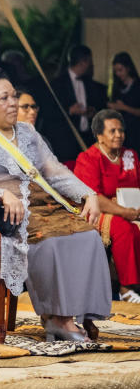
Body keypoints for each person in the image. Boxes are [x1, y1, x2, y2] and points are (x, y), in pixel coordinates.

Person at [0, 68, 110, 341]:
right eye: (4, 98)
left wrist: (88, 194)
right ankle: (57, 318)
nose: (13, 103)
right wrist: (2, 195)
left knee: (87, 234)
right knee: (48, 240)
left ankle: (73, 315)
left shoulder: (28, 132)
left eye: (13, 96)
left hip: (39, 203)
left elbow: (55, 172)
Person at [74, 110, 140, 303]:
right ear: (99, 135)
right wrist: (126, 212)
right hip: (97, 212)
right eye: (112, 131)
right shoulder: (88, 158)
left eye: (121, 130)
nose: (118, 135)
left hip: (132, 210)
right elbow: (92, 197)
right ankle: (126, 288)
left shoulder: (131, 155)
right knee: (124, 228)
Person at [44, 45, 107, 162]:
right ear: (83, 62)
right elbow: (48, 112)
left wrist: (92, 112)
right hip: (66, 142)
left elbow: (97, 104)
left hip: (87, 139)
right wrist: (70, 111)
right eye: (90, 61)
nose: (91, 65)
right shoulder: (57, 84)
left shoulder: (89, 82)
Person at [108, 52, 140, 152]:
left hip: (136, 133)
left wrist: (123, 107)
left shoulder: (137, 86)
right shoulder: (116, 87)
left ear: (128, 68)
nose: (118, 74)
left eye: (120, 70)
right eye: (115, 71)